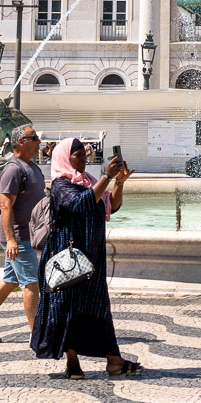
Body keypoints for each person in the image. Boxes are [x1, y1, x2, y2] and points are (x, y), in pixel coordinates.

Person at [32, 137, 140, 378]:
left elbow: (110, 205)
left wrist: (119, 183)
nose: (83, 160)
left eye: (84, 155)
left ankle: (113, 360)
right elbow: (81, 204)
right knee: (70, 306)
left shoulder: (88, 181)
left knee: (98, 305)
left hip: (92, 256)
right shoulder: (61, 185)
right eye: (77, 156)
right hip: (70, 256)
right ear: (64, 158)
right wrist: (107, 177)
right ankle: (72, 362)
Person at [0, 125, 46, 344]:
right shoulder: (13, 169)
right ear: (21, 141)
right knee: (33, 283)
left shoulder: (31, 167)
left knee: (10, 281)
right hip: (19, 237)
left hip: (27, 235)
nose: (38, 142)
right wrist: (11, 239)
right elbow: (5, 206)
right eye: (34, 138)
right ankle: (37, 335)